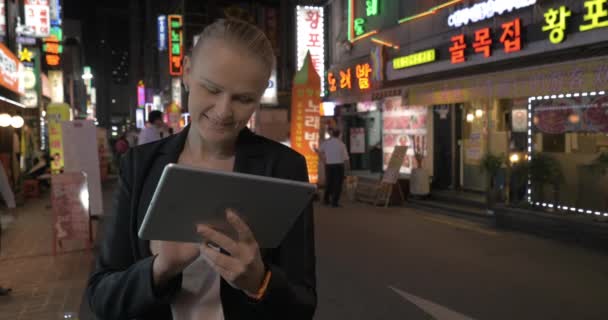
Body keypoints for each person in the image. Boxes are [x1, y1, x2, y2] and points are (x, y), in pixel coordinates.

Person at [86, 19, 316, 320]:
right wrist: (160, 269)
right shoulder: (139, 165)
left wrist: (260, 282)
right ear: (186, 72)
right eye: (211, 89)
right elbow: (102, 296)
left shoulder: (283, 168)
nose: (223, 111)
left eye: (243, 99)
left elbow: (303, 304)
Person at [319, 129, 350, 207]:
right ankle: (334, 202)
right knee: (338, 184)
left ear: (332, 134)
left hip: (329, 165)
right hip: (339, 166)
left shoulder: (326, 143)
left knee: (329, 182)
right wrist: (347, 169)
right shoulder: (341, 144)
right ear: (339, 135)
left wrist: (324, 159)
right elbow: (346, 159)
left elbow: (319, 151)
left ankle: (326, 200)